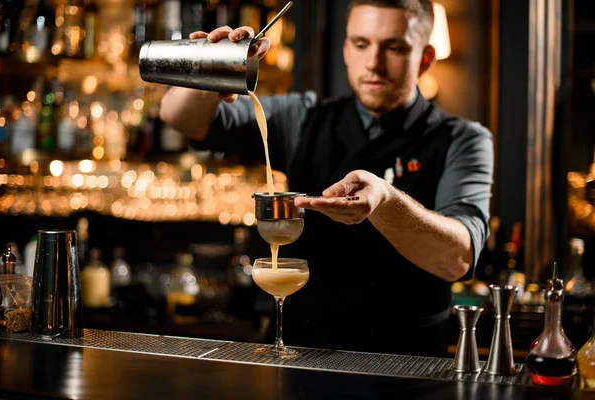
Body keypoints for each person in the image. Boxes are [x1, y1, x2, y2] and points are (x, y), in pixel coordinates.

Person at [160, 0, 494, 357]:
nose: (374, 63)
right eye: (362, 44)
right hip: (301, 355)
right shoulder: (304, 117)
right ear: (347, 50)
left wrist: (385, 200)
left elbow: (458, 258)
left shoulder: (462, 139)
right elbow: (180, 118)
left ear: (426, 58)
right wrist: (214, 63)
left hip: (406, 363)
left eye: (394, 47)